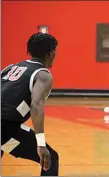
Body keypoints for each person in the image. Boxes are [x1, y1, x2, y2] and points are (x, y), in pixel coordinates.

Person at [1, 32, 59, 176]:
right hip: (5, 129)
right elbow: (36, 106)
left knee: (4, 145)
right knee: (49, 158)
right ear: (51, 53)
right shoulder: (42, 74)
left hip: (5, 132)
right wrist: (41, 143)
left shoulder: (10, 68)